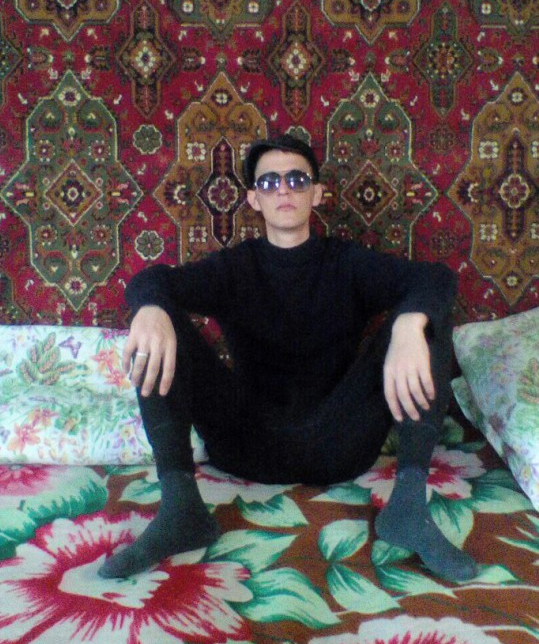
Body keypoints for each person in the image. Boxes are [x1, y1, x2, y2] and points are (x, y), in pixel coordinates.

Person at [98, 134, 478, 583]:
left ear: (316, 193)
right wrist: (150, 309)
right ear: (254, 199)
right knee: (157, 317)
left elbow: (437, 278)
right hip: (246, 443)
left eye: (297, 179)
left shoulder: (347, 262)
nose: (283, 189)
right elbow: (151, 279)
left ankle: (409, 508)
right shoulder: (235, 267)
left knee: (426, 315)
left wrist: (409, 324)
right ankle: (181, 510)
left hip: (340, 443)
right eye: (270, 182)